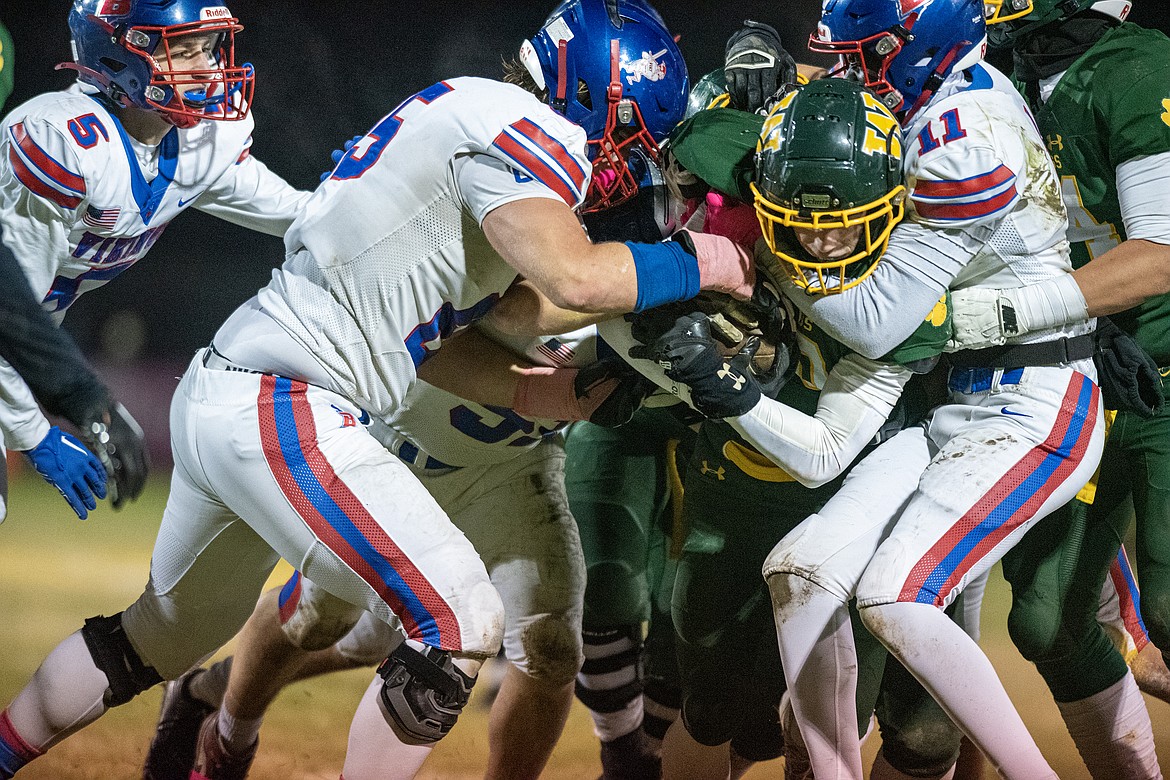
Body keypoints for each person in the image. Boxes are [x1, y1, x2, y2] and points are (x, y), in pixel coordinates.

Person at [0, 0, 755, 777]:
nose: (634, 161)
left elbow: (419, 337)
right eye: (637, 137)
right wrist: (707, 262)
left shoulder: (468, 107)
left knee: (151, 637)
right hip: (284, 399)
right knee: (457, 621)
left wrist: (534, 396)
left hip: (236, 383)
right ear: (606, 99)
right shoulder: (539, 134)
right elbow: (575, 277)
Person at [938, 0, 1170, 775]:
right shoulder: (1005, 77)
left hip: (1164, 375)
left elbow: (1159, 255)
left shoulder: (1134, 68)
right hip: (1084, 371)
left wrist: (996, 313)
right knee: (1046, 619)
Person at [0, 0, 310, 523]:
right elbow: (7, 312)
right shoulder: (63, 142)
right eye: (183, 50)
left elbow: (303, 215)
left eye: (209, 48)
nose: (209, 68)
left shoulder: (196, 142)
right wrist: (37, 435)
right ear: (120, 57)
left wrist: (373, 185)